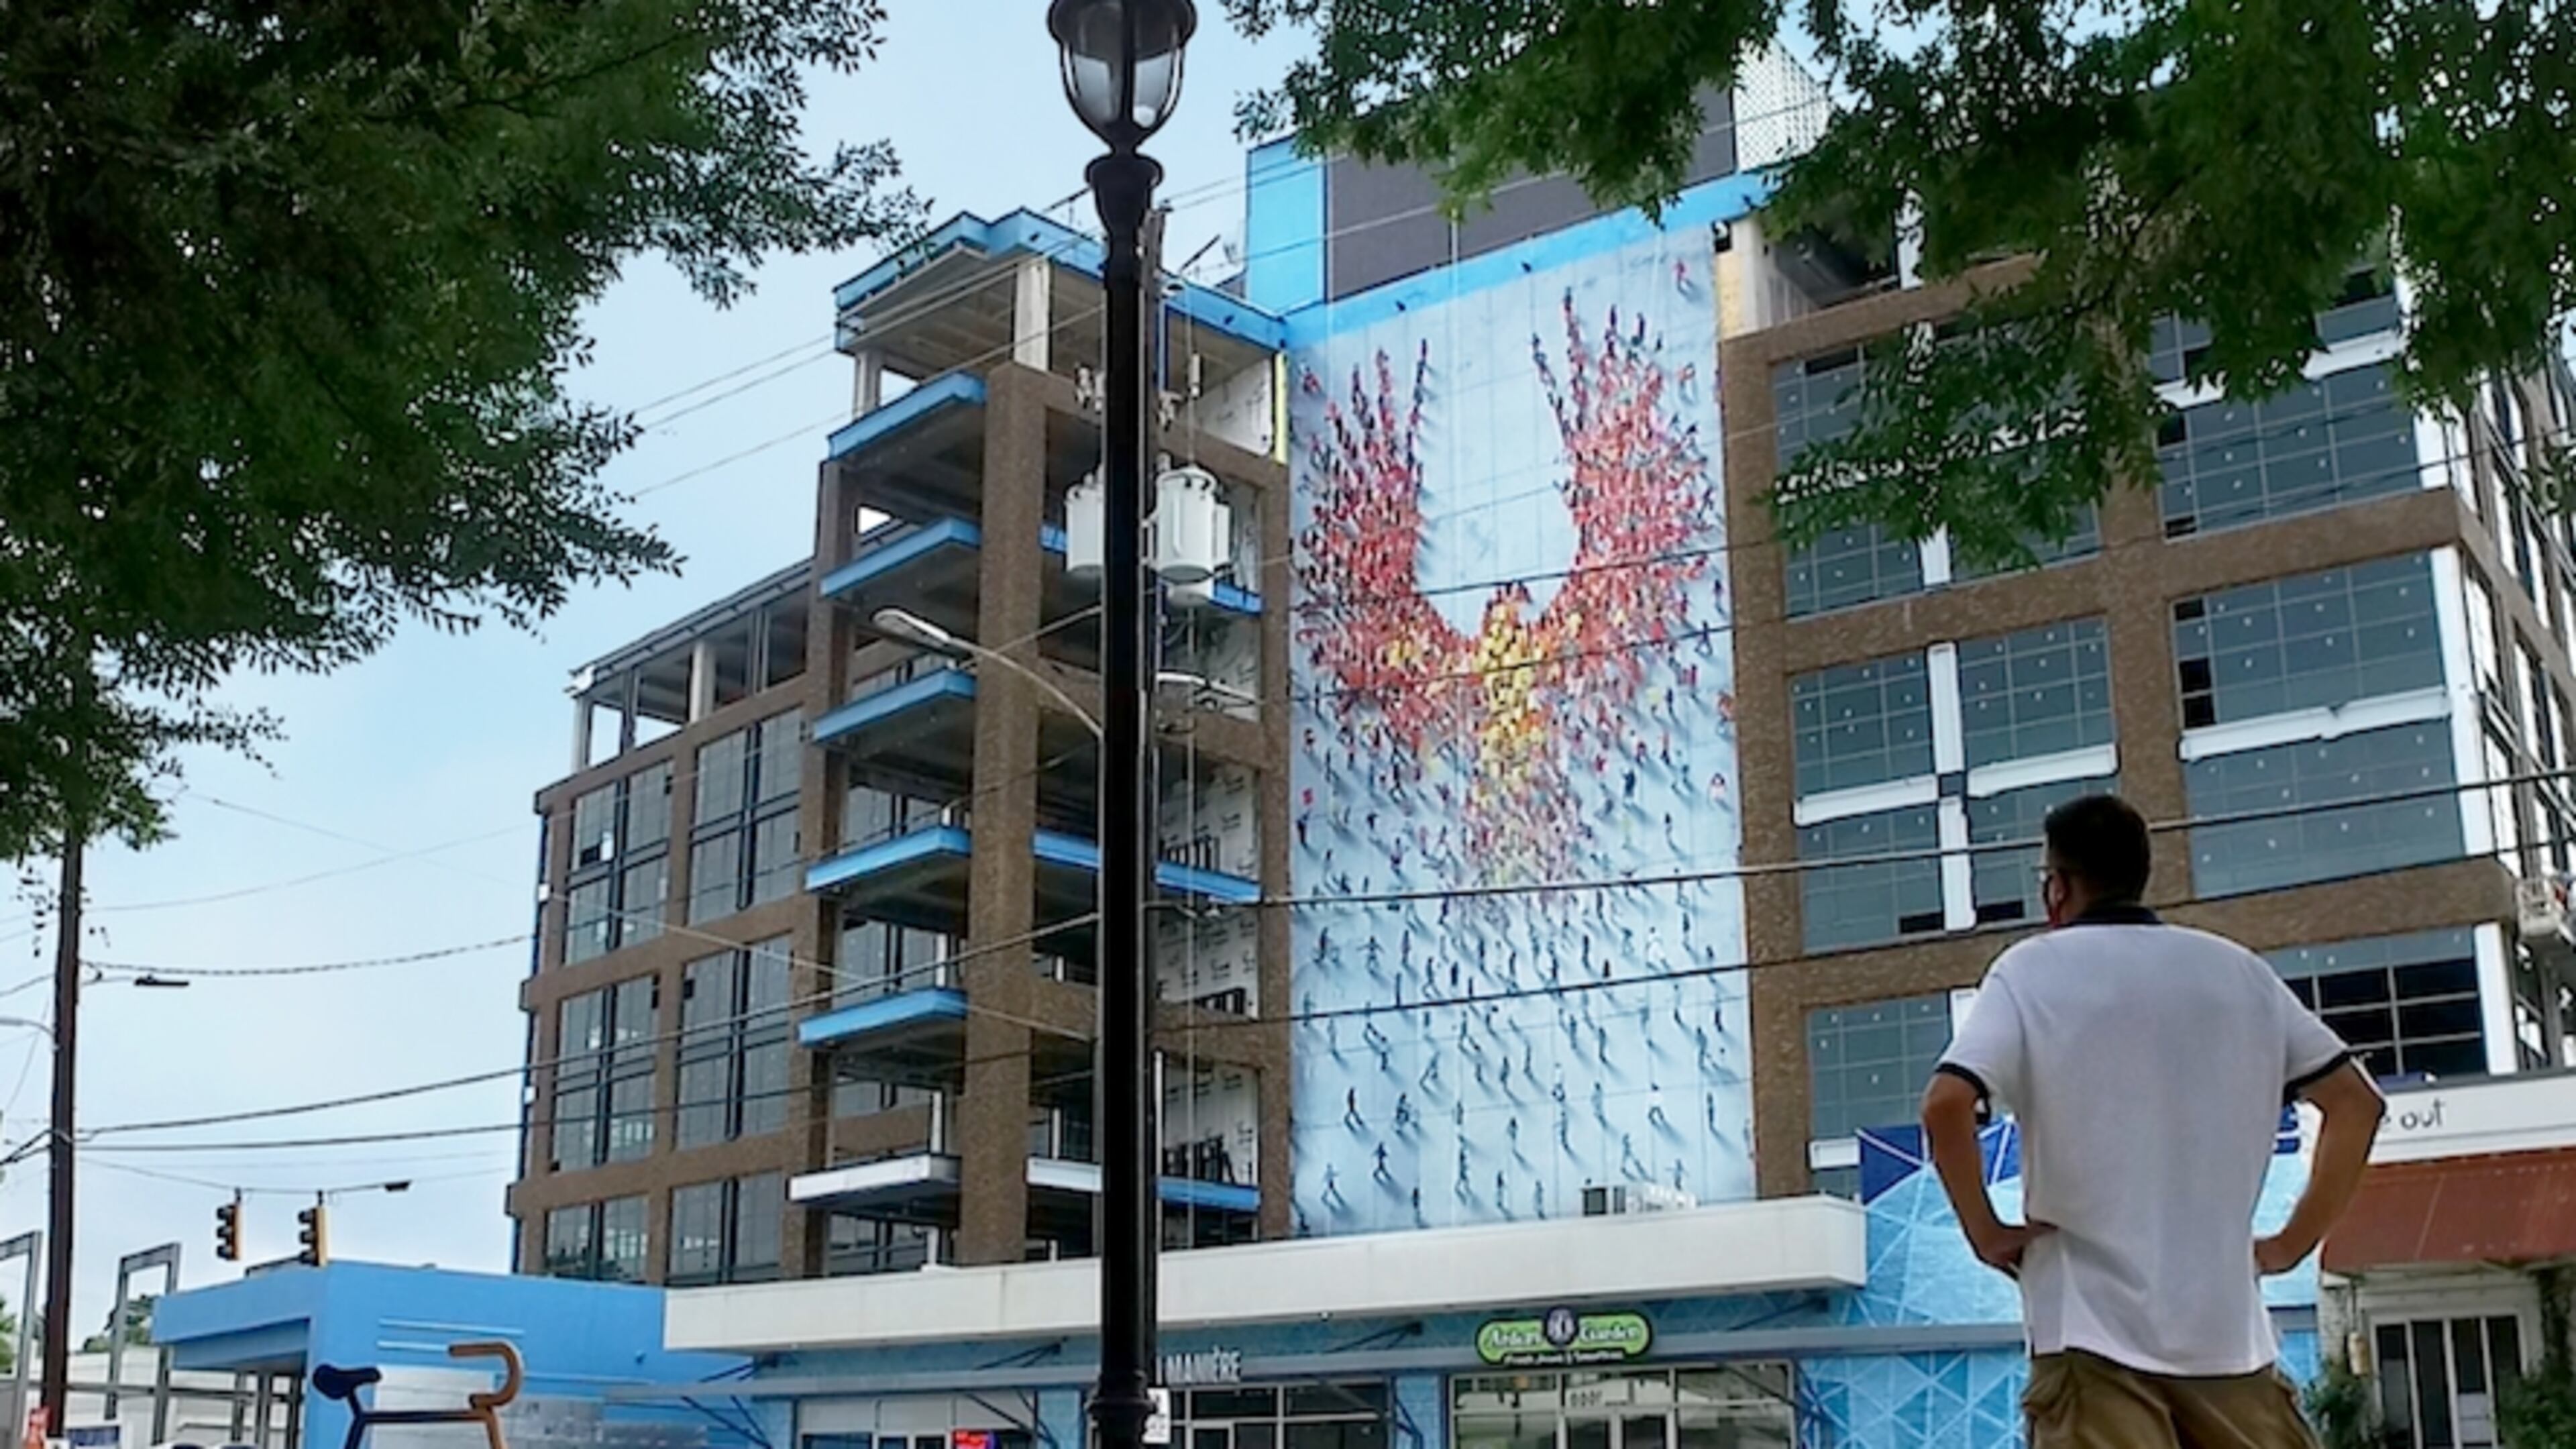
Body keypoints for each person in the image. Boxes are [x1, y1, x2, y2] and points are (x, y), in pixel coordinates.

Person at [1922, 793, 2386, 1449]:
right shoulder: (2238, 972)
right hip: (2229, 1342)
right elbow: (2357, 1104)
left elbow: (1946, 1103)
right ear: (2141, 873)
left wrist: (1985, 1232)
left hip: (2089, 1337)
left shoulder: (2029, 972)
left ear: (2058, 888)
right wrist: (2290, 1244)